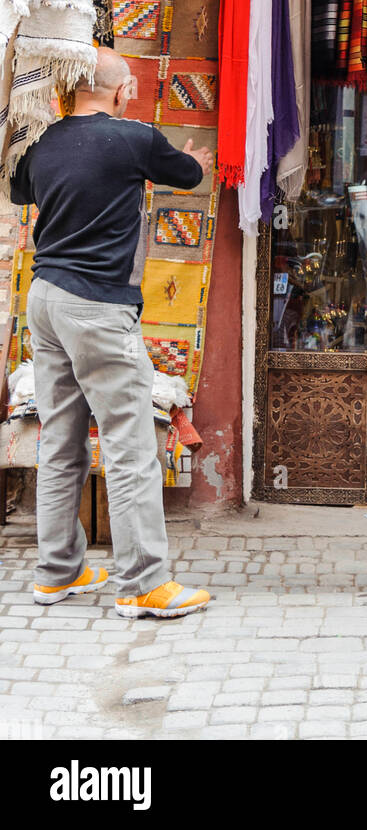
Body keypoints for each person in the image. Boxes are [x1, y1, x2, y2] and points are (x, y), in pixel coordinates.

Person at [10, 48, 213, 619]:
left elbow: (20, 191)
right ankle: (143, 584)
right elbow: (190, 172)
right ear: (122, 90)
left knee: (62, 440)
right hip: (97, 307)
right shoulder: (134, 137)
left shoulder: (44, 141)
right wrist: (190, 157)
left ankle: (57, 573)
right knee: (130, 448)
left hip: (45, 301)